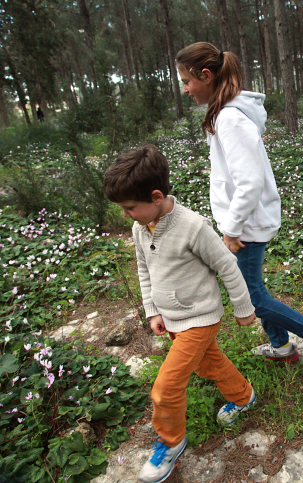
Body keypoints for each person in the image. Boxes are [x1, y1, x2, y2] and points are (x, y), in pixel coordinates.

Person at [175, 42, 303, 375]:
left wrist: (231, 230)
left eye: (187, 82)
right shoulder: (226, 114)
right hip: (243, 222)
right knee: (253, 287)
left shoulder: (231, 119)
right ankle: (281, 346)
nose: (186, 90)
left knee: (251, 297)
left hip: (245, 226)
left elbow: (250, 182)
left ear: (206, 75)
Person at [104, 144, 258, 483]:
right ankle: (244, 396)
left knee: (166, 388)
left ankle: (171, 443)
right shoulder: (140, 227)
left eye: (130, 207)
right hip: (171, 317)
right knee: (209, 362)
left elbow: (228, 267)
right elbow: (144, 269)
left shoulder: (193, 227)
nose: (126, 214)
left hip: (200, 317)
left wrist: (244, 309)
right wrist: (152, 310)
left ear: (156, 197)